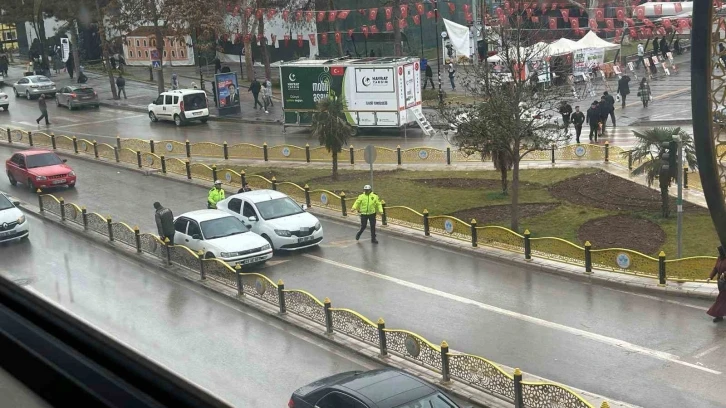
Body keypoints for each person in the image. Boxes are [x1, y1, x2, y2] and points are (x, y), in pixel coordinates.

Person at [708, 246, 726, 322]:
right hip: (721, 282)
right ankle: (720, 315)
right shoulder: (719, 258)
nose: (720, 253)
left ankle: (717, 314)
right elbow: (715, 268)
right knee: (723, 299)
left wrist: (725, 274)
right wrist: (710, 277)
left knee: (721, 299)